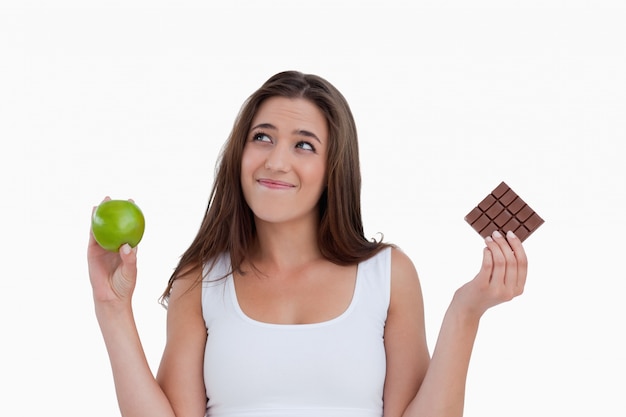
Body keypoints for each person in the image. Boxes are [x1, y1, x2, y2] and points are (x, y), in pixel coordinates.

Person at [87, 70, 528, 417]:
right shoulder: (201, 278)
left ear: (334, 168)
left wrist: (466, 311)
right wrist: (112, 307)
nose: (276, 162)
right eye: (262, 137)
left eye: (304, 145)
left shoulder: (388, 275)